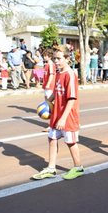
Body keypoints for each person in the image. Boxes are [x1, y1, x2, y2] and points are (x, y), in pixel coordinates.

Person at [33, 45, 83, 180]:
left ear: (67, 58)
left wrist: (63, 118)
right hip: (57, 114)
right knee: (52, 139)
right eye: (54, 58)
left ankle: (78, 167)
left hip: (68, 116)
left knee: (70, 142)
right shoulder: (59, 73)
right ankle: (51, 168)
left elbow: (72, 99)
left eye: (59, 58)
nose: (56, 61)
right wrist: (46, 103)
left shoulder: (70, 74)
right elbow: (56, 92)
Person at [42, 48, 56, 133]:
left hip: (50, 87)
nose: (44, 57)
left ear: (50, 56)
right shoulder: (46, 64)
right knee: (48, 106)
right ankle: (52, 123)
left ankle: (51, 125)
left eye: (45, 56)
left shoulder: (51, 64)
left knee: (50, 106)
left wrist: (48, 83)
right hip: (46, 87)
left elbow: (51, 75)